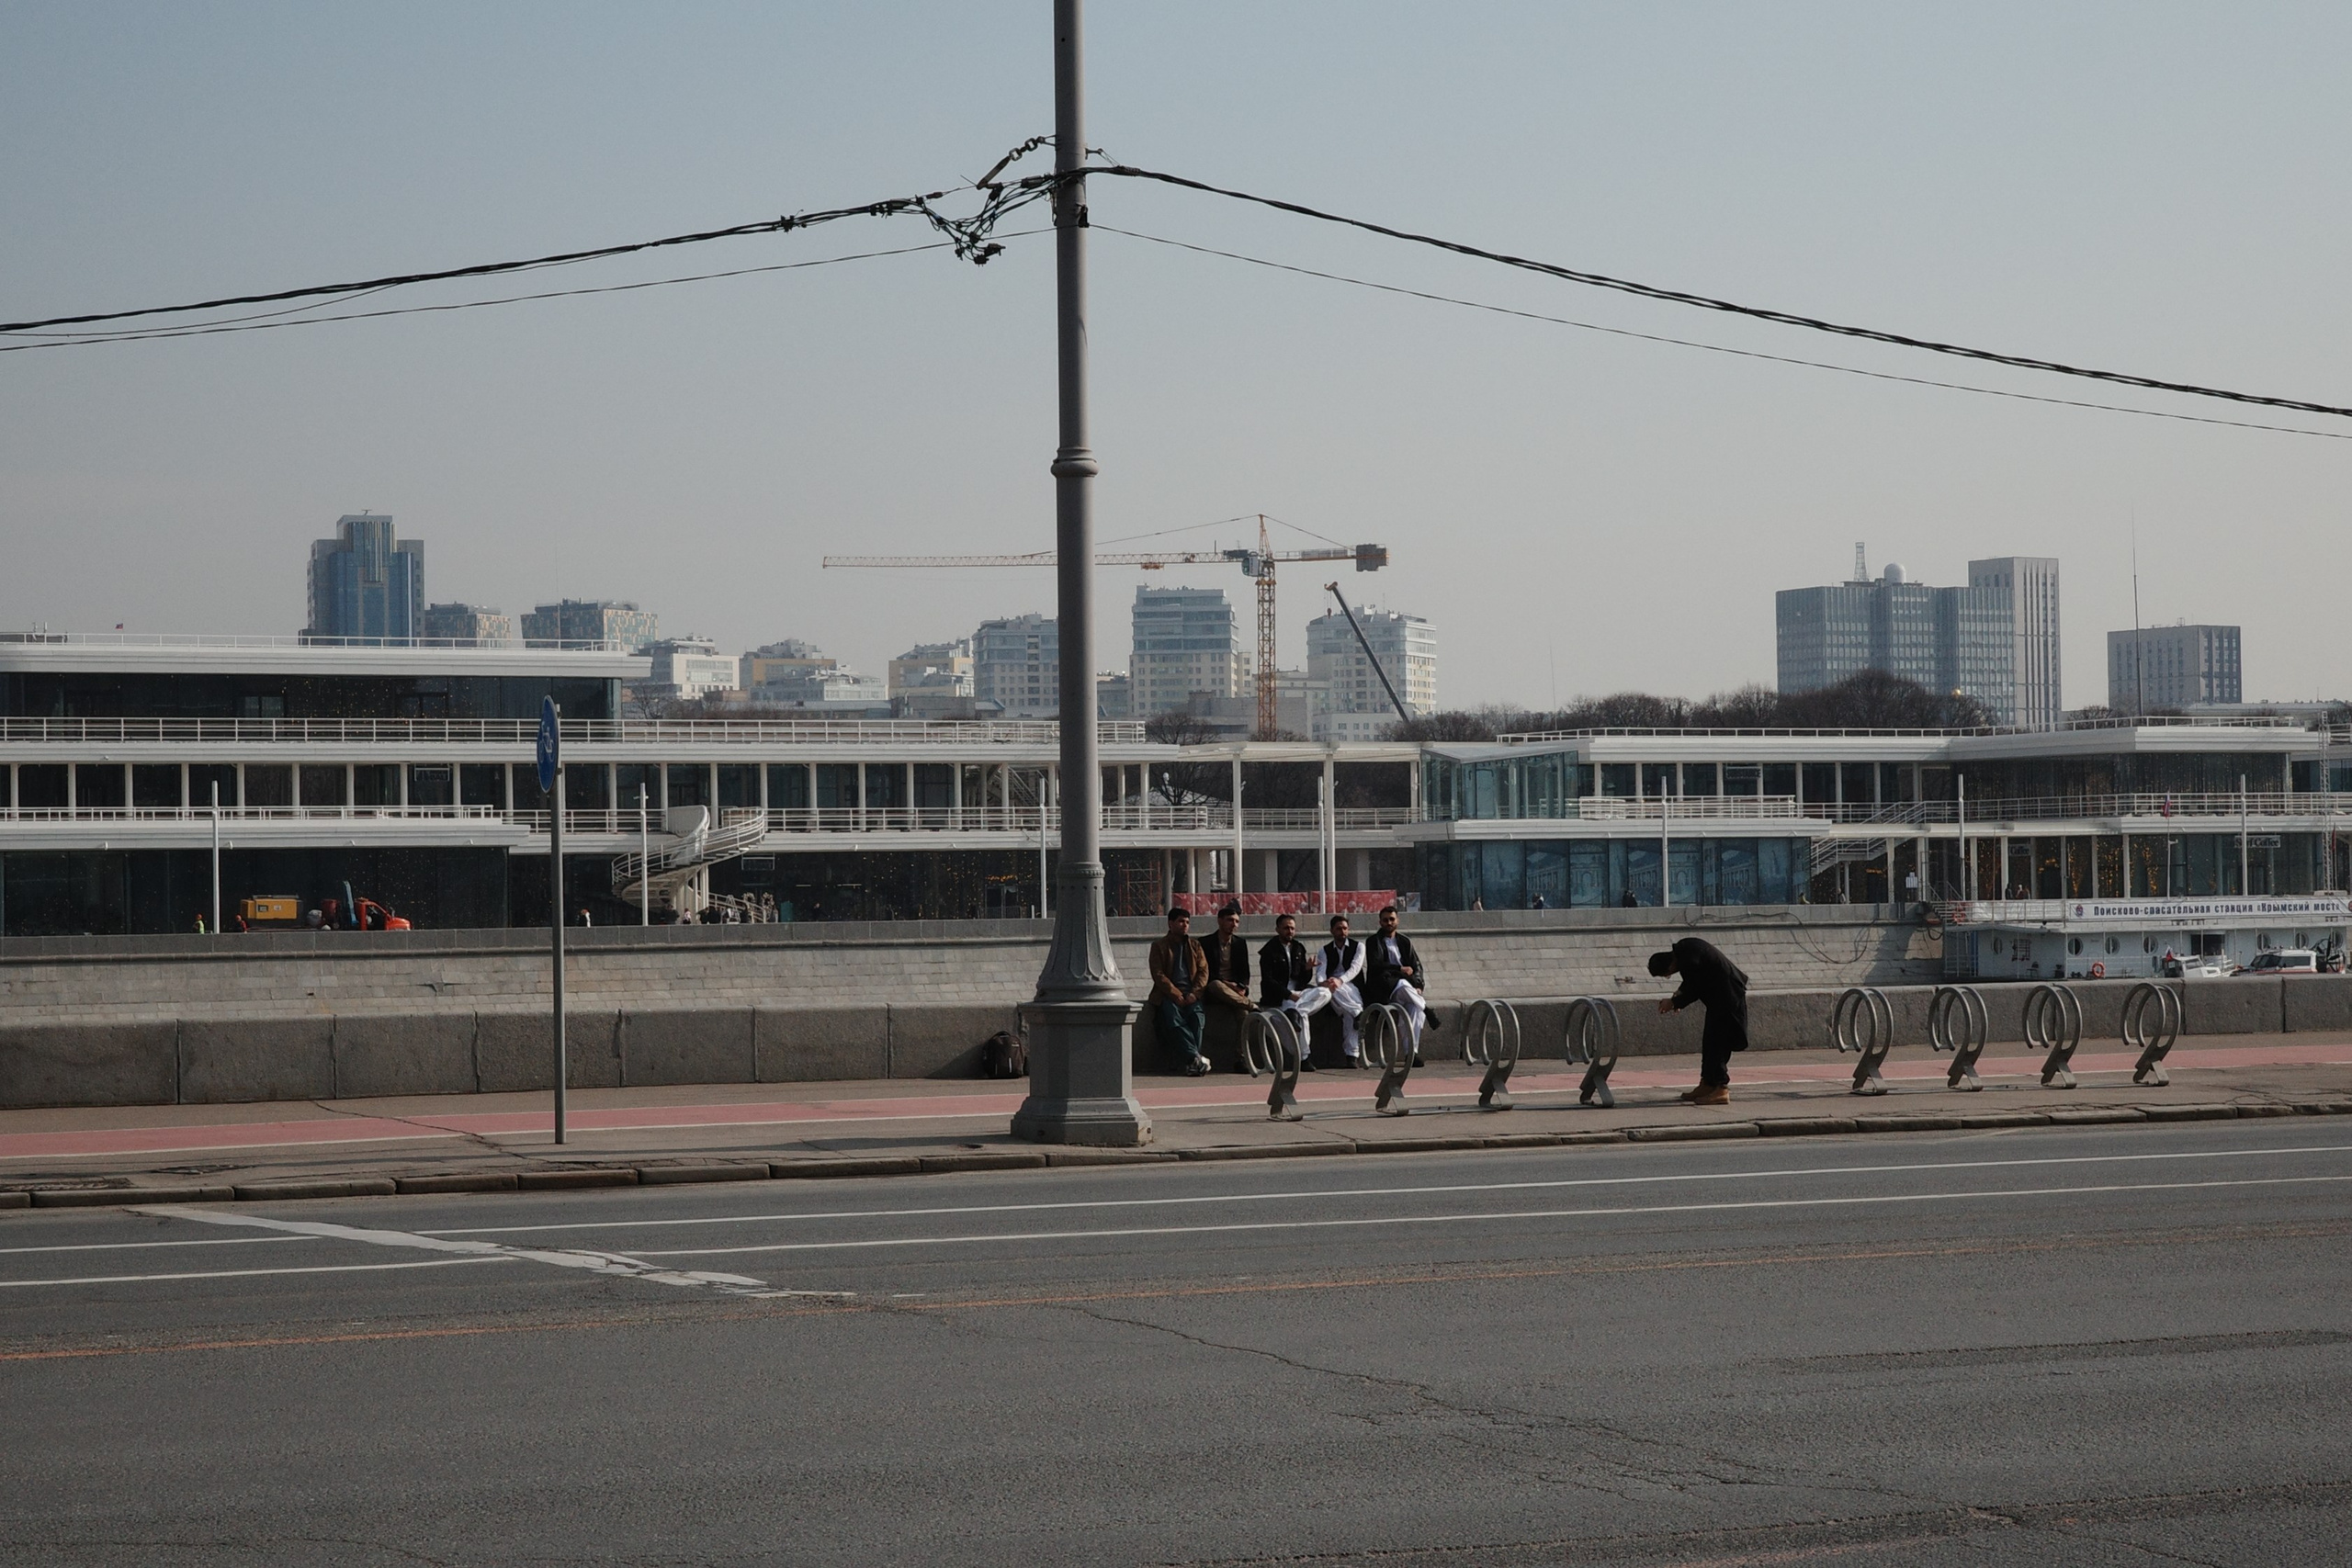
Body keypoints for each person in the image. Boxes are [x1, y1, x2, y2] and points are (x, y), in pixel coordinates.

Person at [1649, 936, 1750, 1106]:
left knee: (1718, 1044)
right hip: (1719, 999)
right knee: (1709, 1042)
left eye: (1667, 975)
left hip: (1728, 996)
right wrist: (1678, 997)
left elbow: (1694, 986)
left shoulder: (1687, 958)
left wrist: (1674, 1002)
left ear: (1670, 966)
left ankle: (1720, 1088)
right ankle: (1707, 1083)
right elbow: (1691, 980)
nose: (1670, 976)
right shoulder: (1685, 951)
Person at [1148, 906, 1212, 1077]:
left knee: (1197, 1020)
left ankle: (1193, 1062)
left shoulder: (1195, 946)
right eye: (1181, 922)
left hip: (1192, 995)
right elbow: (1158, 974)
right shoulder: (1159, 946)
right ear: (1171, 924)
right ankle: (1195, 1058)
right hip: (1168, 996)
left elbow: (1203, 972)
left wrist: (1194, 993)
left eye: (1187, 922)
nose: (1185, 925)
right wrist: (1175, 994)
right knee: (1173, 1020)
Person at [1296, 913, 1366, 1066]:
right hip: (1332, 993)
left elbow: (1355, 968)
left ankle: (1352, 1055)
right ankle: (1358, 1013)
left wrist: (1340, 980)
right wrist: (1324, 983)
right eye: (1339, 929)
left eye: (1345, 929)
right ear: (1332, 931)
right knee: (1345, 1002)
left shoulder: (1359, 947)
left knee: (1349, 1015)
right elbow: (1321, 973)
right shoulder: (1324, 950)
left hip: (1352, 987)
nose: (1342, 932)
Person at [1363, 903, 1430, 1059]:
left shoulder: (1405, 942)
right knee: (1402, 985)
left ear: (1397, 921)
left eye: (1392, 919)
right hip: (1384, 987)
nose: (1389, 923)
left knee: (1414, 1009)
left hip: (1405, 988)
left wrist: (1419, 986)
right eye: (1385, 920)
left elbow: (1417, 966)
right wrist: (1399, 969)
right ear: (1380, 922)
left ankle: (1411, 1053)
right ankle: (1427, 1009)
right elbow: (1376, 966)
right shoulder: (1373, 942)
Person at [1257, 911, 1317, 1071]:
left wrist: (1308, 969)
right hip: (1279, 997)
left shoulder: (1298, 948)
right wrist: (1288, 994)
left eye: (1292, 928)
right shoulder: (1269, 951)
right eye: (1286, 928)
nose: (1289, 931)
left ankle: (1296, 1012)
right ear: (1277, 929)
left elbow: (1303, 980)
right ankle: (1304, 1058)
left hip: (1297, 995)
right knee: (1294, 1022)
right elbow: (1268, 980)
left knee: (1324, 992)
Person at [1201, 900, 1253, 1057]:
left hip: (1235, 993)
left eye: (1237, 921)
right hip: (1214, 989)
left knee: (1244, 1015)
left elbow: (1245, 972)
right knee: (1216, 984)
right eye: (1230, 920)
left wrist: (1242, 986)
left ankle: (1242, 1057)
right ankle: (1251, 1005)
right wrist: (1227, 984)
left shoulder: (1240, 944)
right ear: (1220, 921)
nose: (1234, 924)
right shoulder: (1205, 943)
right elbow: (1205, 973)